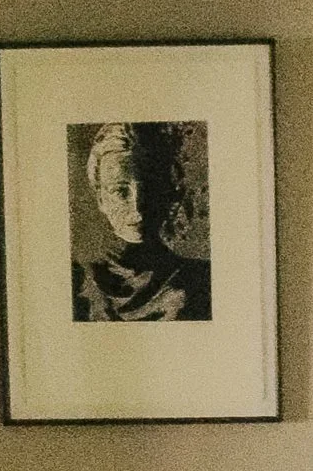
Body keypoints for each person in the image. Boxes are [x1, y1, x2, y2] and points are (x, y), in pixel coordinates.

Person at [72, 120, 211, 323]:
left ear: (166, 190)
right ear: (101, 199)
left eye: (149, 189)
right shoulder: (78, 285)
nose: (137, 209)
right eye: (120, 191)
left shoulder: (201, 281)